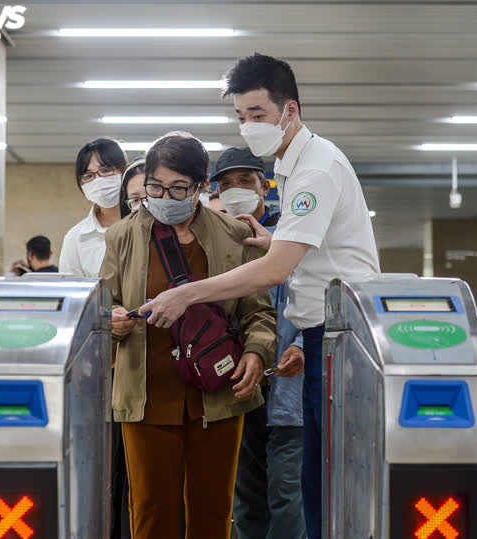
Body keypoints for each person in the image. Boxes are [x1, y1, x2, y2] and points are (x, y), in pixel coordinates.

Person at [138, 53, 380, 539]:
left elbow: (273, 273)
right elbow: (316, 253)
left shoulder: (315, 170)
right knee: (316, 478)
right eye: (241, 117)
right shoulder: (293, 166)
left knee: (325, 485)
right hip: (317, 336)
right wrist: (277, 240)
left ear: (289, 110)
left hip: (343, 339)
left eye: (258, 115)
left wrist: (185, 296)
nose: (249, 127)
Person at [100, 134, 277, 539]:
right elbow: (103, 306)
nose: (165, 196)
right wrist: (111, 320)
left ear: (201, 186)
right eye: (156, 187)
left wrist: (256, 352)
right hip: (146, 395)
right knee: (150, 511)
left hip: (218, 391)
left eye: (178, 188)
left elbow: (259, 311)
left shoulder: (232, 235)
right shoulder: (122, 237)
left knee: (213, 510)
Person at [212, 147, 306, 539]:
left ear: (264, 186)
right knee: (245, 497)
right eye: (227, 184)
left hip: (287, 388)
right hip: (236, 387)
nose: (236, 190)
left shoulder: (293, 234)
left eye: (245, 181)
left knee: (286, 494)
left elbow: (315, 294)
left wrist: (299, 342)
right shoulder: (213, 240)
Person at [59, 138, 127, 277]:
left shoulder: (148, 225)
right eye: (88, 175)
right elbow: (73, 292)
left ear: (124, 170)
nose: (98, 180)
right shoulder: (76, 238)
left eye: (106, 170)